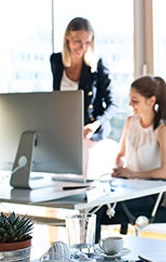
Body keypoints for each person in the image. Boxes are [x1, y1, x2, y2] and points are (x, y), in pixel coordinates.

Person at [95, 75, 166, 243]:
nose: (130, 105)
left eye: (135, 101)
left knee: (97, 211)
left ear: (151, 101)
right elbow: (121, 154)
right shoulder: (130, 122)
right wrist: (120, 167)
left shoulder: (162, 130)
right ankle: (88, 256)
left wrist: (132, 174)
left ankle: (88, 260)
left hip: (150, 195)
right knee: (92, 204)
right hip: (129, 188)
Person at [50, 17, 118, 174]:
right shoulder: (56, 61)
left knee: (78, 153)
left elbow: (112, 104)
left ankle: (81, 191)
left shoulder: (96, 65)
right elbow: (56, 98)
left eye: (87, 42)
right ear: (67, 37)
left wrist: (95, 125)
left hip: (91, 128)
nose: (82, 47)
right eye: (77, 41)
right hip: (65, 128)